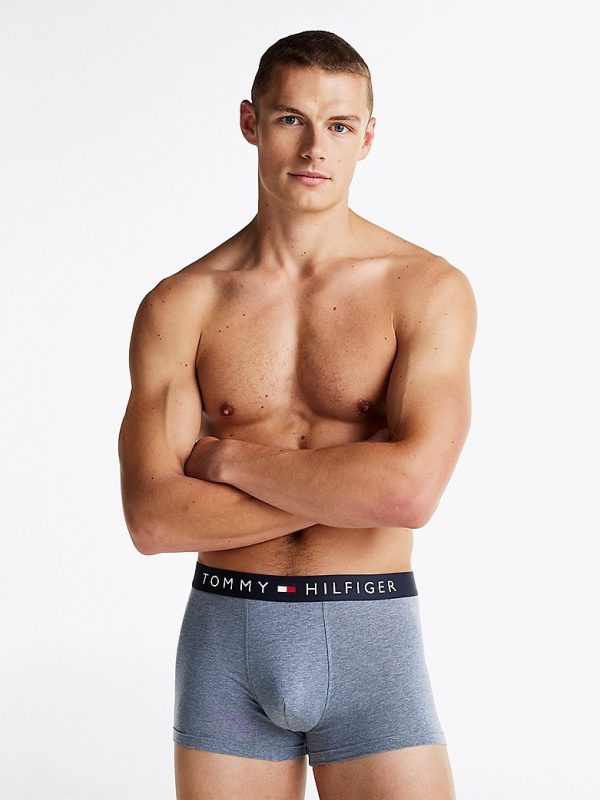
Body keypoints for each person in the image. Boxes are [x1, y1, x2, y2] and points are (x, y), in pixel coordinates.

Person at [119, 30, 476, 800]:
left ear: (367, 138)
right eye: (292, 119)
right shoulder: (181, 305)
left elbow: (409, 494)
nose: (316, 148)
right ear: (250, 122)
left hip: (372, 638)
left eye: (340, 125)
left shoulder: (425, 289)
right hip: (227, 641)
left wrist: (229, 459)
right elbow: (152, 519)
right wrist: (353, 485)